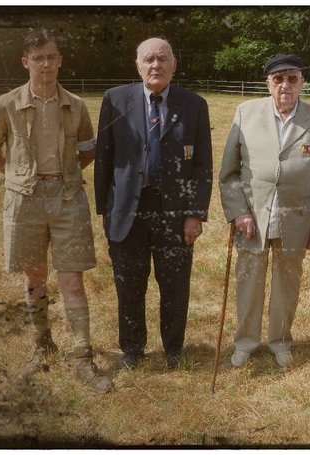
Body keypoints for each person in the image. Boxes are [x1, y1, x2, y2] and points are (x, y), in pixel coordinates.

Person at [0, 29, 113, 393]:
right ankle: (42, 347)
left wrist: (65, 177)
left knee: (72, 280)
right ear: (26, 62)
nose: (46, 64)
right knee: (34, 278)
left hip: (68, 197)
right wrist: (18, 175)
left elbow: (88, 149)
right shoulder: (6, 104)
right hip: (25, 199)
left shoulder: (77, 105)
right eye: (38, 58)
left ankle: (83, 357)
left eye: (52, 56)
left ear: (60, 60)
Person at [94, 37, 213, 370]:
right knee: (129, 286)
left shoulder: (194, 105)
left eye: (162, 59)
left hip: (174, 213)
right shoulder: (115, 100)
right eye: (148, 59)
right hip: (127, 212)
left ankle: (174, 348)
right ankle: (132, 349)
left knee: (175, 287)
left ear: (174, 65)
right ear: (138, 65)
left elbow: (202, 165)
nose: (156, 65)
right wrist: (105, 212)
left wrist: (195, 214)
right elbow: (103, 158)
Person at [219, 54, 310, 368]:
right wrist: (238, 212)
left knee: (288, 283)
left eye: (292, 78)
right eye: (278, 79)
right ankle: (245, 342)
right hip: (252, 218)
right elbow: (228, 172)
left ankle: (281, 341)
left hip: (297, 218)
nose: (285, 85)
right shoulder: (245, 113)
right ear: (268, 83)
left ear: (302, 82)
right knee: (249, 281)